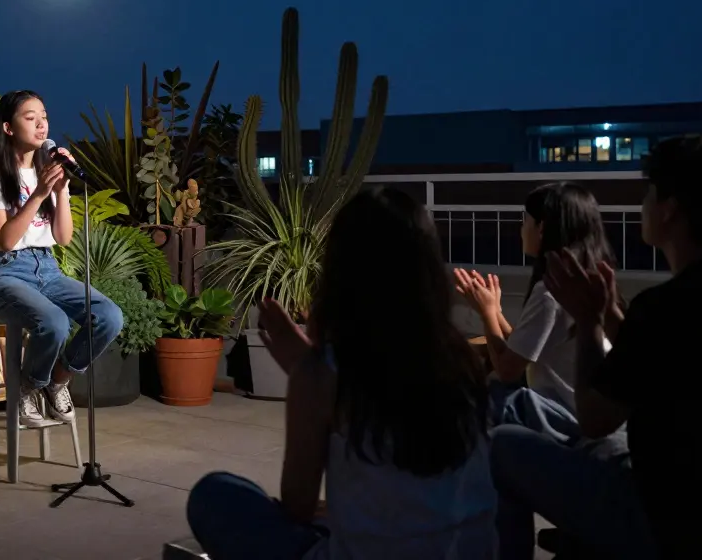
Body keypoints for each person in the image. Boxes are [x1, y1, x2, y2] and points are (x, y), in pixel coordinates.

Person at [490, 134, 702, 559]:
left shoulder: (671, 305)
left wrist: (588, 322)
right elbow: (657, 356)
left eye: (649, 193)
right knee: (532, 411)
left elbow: (595, 416)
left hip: (669, 526)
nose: (643, 204)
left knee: (503, 445)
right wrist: (608, 313)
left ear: (670, 209)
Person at [186, 187, 498, 560]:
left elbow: (298, 506)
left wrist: (305, 370)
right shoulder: (462, 360)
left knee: (215, 493)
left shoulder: (322, 374)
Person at [0, 89, 124, 428]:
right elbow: (7, 240)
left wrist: (59, 191)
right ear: (8, 128)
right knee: (54, 322)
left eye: (44, 117)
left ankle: (59, 378)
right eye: (30, 118)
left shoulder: (49, 170)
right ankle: (28, 386)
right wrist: (40, 191)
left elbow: (63, 237)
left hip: (48, 269)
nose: (41, 124)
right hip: (6, 274)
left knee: (109, 316)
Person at [454, 181, 616, 444]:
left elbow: (509, 370)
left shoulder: (550, 291)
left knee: (480, 395)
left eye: (524, 221)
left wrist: (486, 314)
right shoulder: (582, 277)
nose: (521, 229)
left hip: (566, 417)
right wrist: (494, 312)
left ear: (542, 228)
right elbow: (524, 348)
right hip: (583, 412)